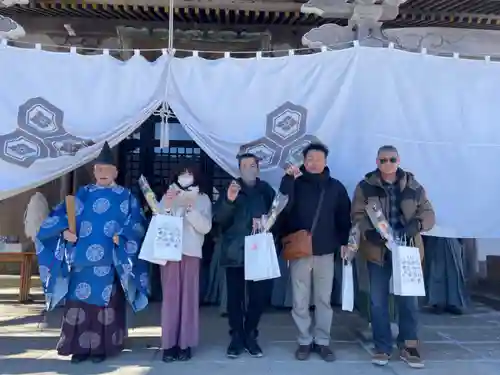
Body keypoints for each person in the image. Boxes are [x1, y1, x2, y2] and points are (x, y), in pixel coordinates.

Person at [35, 142, 149, 364]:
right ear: (94, 171)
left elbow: (137, 224)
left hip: (109, 261)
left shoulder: (126, 197)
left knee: (104, 306)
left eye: (107, 169)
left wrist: (123, 236)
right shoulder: (83, 195)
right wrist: (64, 231)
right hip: (80, 261)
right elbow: (58, 218)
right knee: (78, 306)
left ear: (116, 171)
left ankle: (102, 348)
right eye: (98, 169)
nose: (102, 173)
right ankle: (77, 348)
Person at [351, 145, 435, 369]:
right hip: (378, 251)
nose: (387, 164)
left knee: (408, 302)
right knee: (378, 302)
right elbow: (357, 214)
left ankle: (409, 346)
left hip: (407, 250)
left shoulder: (413, 186)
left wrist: (416, 225)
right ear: (376, 162)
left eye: (391, 159)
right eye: (382, 160)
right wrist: (369, 232)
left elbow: (428, 213)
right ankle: (382, 347)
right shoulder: (365, 186)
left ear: (399, 160)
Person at [278, 142, 351, 362]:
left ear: (325, 162)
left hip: (325, 251)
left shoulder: (336, 188)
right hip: (300, 251)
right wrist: (287, 180)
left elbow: (343, 219)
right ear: (304, 160)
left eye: (318, 159)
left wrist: (345, 243)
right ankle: (303, 340)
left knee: (323, 300)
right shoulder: (295, 184)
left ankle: (322, 341)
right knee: (300, 300)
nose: (313, 163)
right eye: (309, 159)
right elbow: (282, 208)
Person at [213, 152, 275, 359]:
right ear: (239, 169)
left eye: (252, 164)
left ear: (258, 167)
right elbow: (219, 219)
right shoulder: (232, 188)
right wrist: (229, 201)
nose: (249, 167)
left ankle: (250, 333)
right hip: (235, 250)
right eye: (245, 165)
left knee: (258, 297)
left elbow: (278, 214)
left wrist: (268, 223)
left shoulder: (266, 190)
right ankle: (236, 336)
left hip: (259, 250)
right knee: (235, 298)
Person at [159, 161, 212, 362]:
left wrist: (191, 211)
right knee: (170, 299)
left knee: (189, 299)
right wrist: (168, 206)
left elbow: (206, 227)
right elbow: (158, 220)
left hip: (191, 251)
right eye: (182, 173)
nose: (186, 176)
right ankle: (168, 344)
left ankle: (185, 344)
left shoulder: (203, 198)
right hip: (169, 251)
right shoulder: (168, 195)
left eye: (190, 173)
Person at [423, 236, 467, 315]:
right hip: (435, 237)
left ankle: (453, 303)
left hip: (452, 237)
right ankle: (437, 302)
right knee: (436, 271)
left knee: (454, 271)